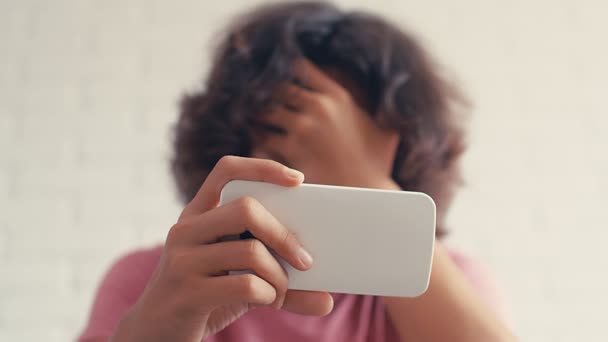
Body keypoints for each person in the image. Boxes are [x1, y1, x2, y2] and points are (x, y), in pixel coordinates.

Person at [78, 1, 516, 341]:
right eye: (289, 131)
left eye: (344, 141)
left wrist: (364, 177)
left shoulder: (451, 281)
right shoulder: (156, 279)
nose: (311, 166)